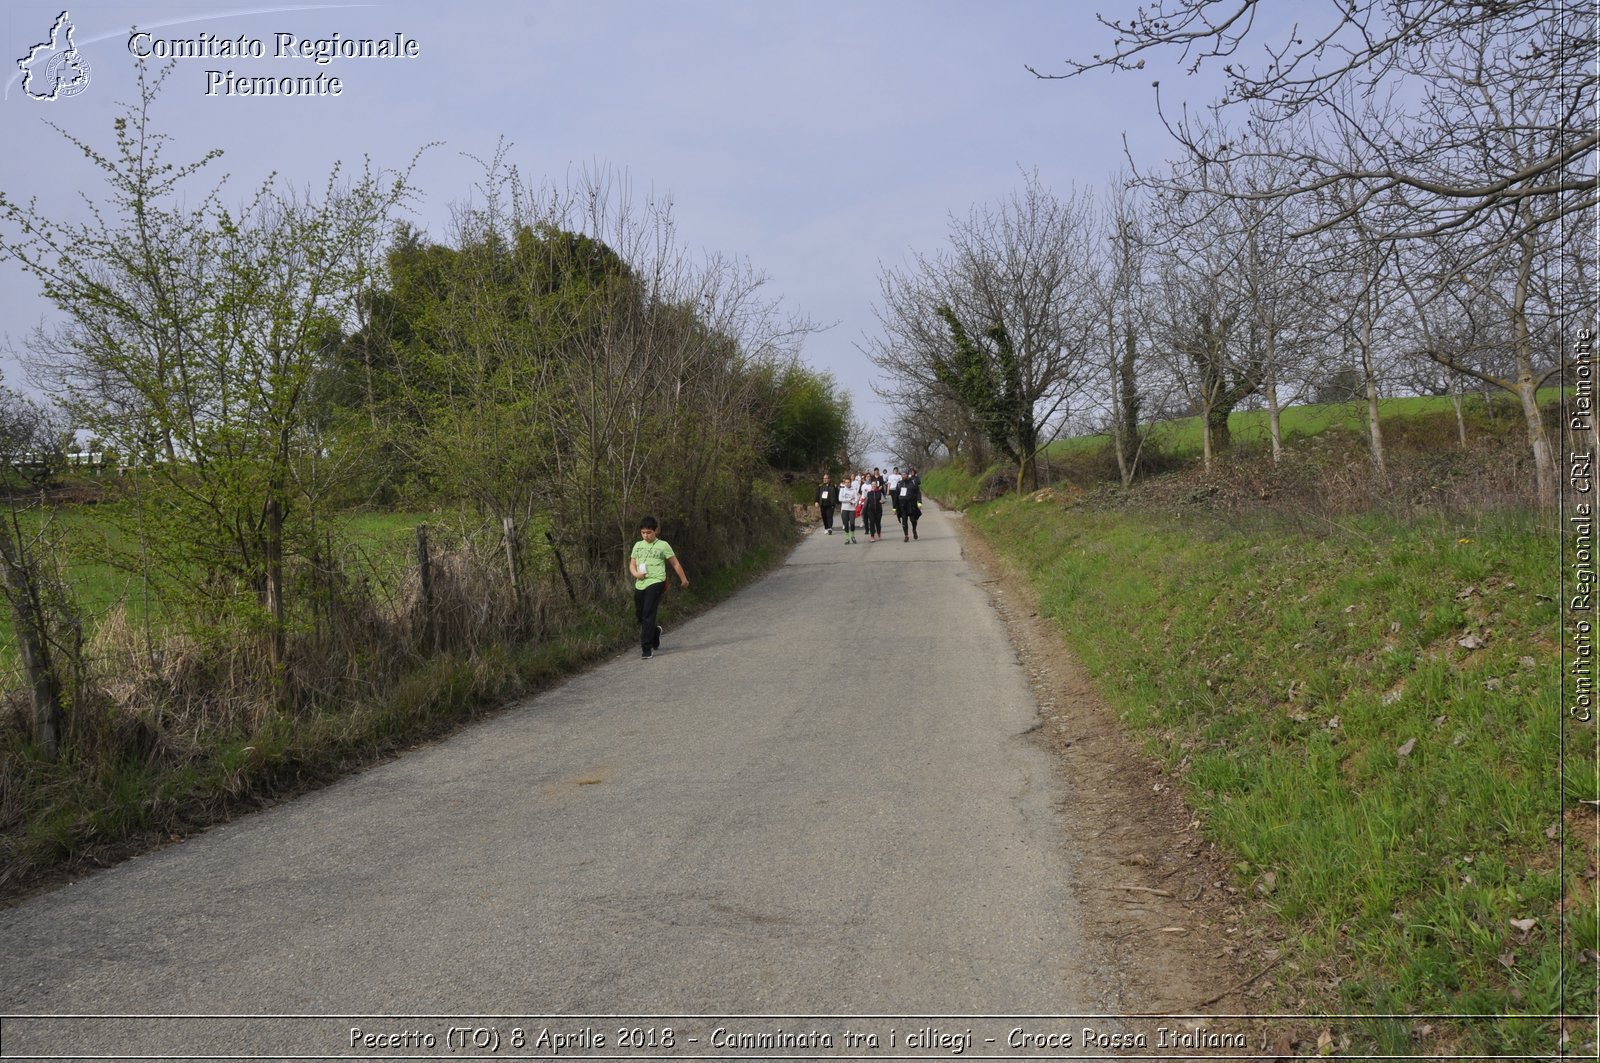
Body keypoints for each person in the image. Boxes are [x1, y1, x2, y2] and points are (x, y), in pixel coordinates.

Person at [628, 516, 688, 659]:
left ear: (656, 531)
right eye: (643, 532)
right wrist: (636, 573)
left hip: (657, 581)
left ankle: (646, 648)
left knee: (648, 613)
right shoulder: (637, 546)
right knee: (640, 615)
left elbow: (675, 563)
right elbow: (632, 564)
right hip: (641, 583)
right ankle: (655, 632)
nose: (646, 535)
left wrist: (684, 579)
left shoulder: (663, 545)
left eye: (649, 532)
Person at [898, 469, 922, 541]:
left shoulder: (912, 483)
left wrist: (919, 502)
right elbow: (896, 496)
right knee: (904, 520)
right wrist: (894, 507)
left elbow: (918, 492)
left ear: (907, 475)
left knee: (913, 520)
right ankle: (906, 535)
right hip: (903, 505)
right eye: (902, 475)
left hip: (911, 504)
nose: (903, 476)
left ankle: (914, 530)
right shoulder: (899, 484)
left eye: (904, 474)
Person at [862, 470, 884, 541]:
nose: (874, 486)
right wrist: (863, 510)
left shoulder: (879, 493)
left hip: (878, 510)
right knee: (871, 522)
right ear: (871, 486)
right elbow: (866, 502)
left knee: (878, 523)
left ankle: (879, 534)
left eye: (875, 484)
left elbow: (883, 500)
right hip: (870, 510)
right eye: (872, 485)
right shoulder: (869, 493)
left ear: (876, 485)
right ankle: (872, 536)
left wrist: (882, 501)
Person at [837, 476, 859, 544]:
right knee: (845, 524)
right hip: (844, 509)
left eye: (848, 482)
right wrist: (848, 500)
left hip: (852, 509)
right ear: (844, 483)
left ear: (850, 482)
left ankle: (852, 536)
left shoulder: (854, 490)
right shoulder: (842, 490)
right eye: (845, 482)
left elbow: (856, 498)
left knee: (852, 523)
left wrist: (854, 502)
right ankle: (847, 538)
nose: (847, 484)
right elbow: (840, 499)